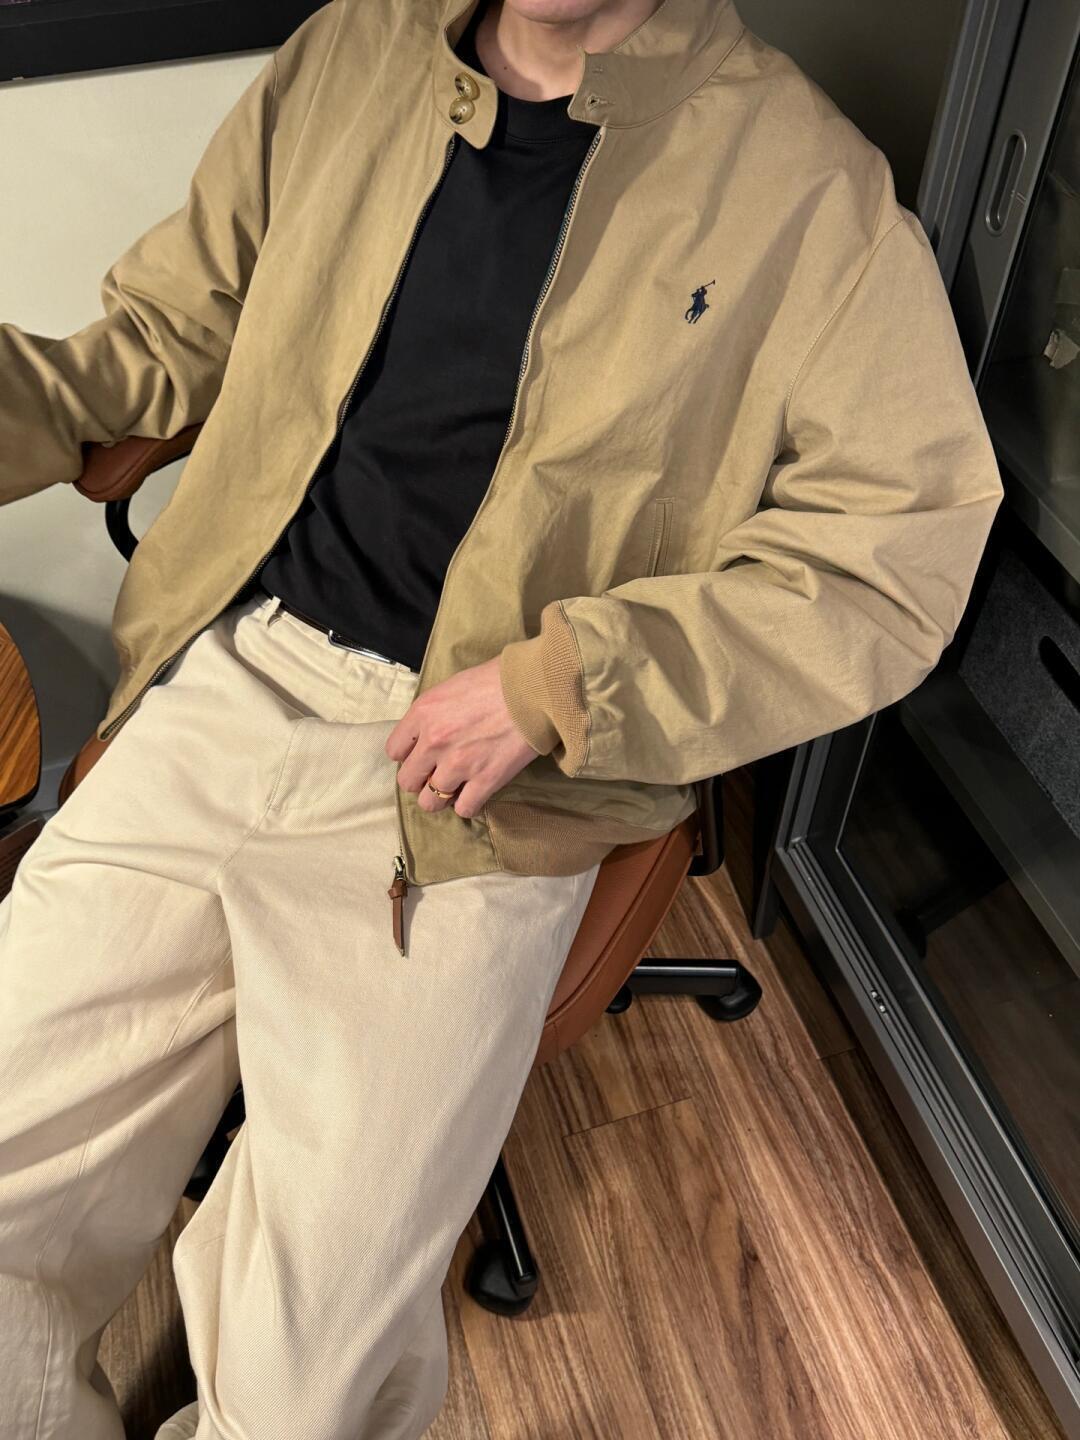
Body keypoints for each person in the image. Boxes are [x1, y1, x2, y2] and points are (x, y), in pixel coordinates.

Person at [0, 0, 1004, 1435]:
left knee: (303, 1392)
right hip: (229, 668)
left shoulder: (807, 186)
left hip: (477, 791)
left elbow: (895, 555)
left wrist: (566, 687)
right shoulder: (352, 51)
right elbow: (167, 334)